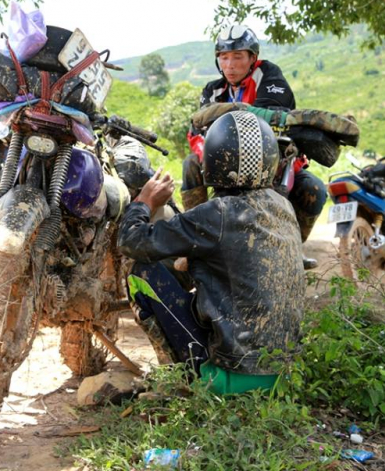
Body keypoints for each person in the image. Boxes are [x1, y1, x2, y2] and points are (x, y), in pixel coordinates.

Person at [119, 111, 304, 393]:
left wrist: (144, 201)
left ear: (212, 161)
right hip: (284, 376)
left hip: (231, 379)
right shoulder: (283, 206)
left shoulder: (217, 213)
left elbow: (132, 241)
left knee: (142, 273)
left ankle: (182, 376)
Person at [182, 24, 325, 269]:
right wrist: (205, 156)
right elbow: (197, 131)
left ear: (252, 58)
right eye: (224, 57)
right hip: (223, 163)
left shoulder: (269, 76)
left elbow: (271, 114)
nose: (230, 64)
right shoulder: (212, 90)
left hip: (274, 161)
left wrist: (229, 112)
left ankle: (292, 247)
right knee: (190, 163)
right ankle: (195, 241)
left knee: (315, 189)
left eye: (238, 56)